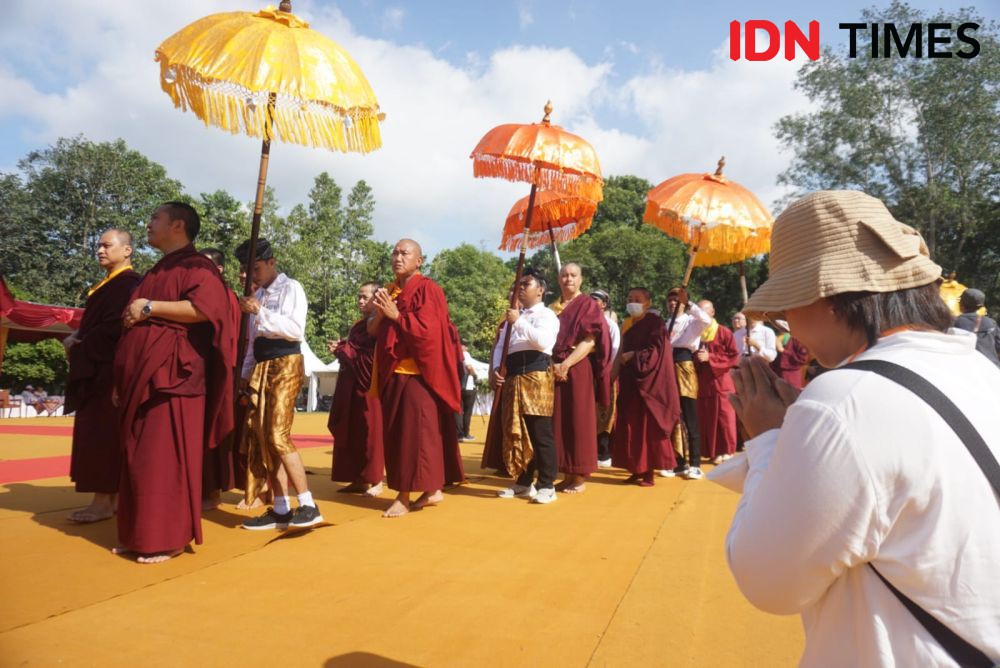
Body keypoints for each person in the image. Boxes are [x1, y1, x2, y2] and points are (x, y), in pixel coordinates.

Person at [709, 190, 1000, 665]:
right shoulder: (982, 371)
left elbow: (768, 582)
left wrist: (768, 439)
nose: (787, 322)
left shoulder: (842, 399)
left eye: (786, 305)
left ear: (825, 296)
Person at [113, 201, 238, 563]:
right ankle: (139, 533)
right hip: (144, 376)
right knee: (140, 458)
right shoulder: (159, 268)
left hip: (174, 377)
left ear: (178, 226)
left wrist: (151, 307)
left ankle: (166, 538)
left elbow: (205, 310)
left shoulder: (197, 267)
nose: (148, 224)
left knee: (165, 462)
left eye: (155, 218)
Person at [369, 239, 464, 518]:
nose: (398, 257)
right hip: (393, 373)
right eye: (395, 253)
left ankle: (404, 495)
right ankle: (432, 490)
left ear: (419, 261)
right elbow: (375, 329)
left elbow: (431, 332)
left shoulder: (428, 289)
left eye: (405, 253)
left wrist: (396, 314)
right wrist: (379, 313)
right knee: (402, 435)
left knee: (414, 437)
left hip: (417, 375)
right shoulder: (390, 290)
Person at [235, 238, 324, 531]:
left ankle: (308, 504)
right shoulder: (256, 295)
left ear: (271, 262)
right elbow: (253, 343)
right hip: (261, 366)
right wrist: (245, 377)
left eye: (257, 268)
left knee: (277, 434)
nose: (252, 275)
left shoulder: (291, 288)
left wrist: (259, 310)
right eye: (248, 270)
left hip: (286, 362)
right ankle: (281, 507)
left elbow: (294, 330)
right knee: (263, 437)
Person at [64, 229, 141, 523]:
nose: (100, 250)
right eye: (98, 245)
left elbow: (117, 327)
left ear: (127, 251)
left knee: (105, 436)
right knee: (103, 435)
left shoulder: (129, 284)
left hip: (110, 369)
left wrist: (81, 342)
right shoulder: (104, 285)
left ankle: (102, 502)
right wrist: (79, 335)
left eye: (107, 245)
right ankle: (111, 499)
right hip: (97, 368)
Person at [492, 271, 561, 504]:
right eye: (517, 284)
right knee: (516, 431)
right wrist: (495, 370)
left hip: (536, 375)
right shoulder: (512, 317)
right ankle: (523, 482)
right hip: (513, 375)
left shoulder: (547, 315)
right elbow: (501, 347)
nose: (520, 288)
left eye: (526, 284)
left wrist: (518, 322)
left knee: (539, 431)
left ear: (540, 290)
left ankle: (547, 484)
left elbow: (543, 342)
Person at [550, 262, 612, 494]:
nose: (568, 279)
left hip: (576, 367)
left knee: (578, 419)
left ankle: (579, 477)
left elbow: (590, 341)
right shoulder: (553, 307)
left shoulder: (587, 305)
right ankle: (567, 473)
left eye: (573, 275)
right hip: (555, 366)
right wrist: (555, 365)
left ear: (581, 280)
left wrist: (566, 363)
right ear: (559, 279)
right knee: (560, 420)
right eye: (564, 275)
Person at [611, 288, 680, 486]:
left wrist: (634, 355)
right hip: (631, 382)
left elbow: (656, 353)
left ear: (647, 303)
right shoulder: (630, 326)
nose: (633, 302)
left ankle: (648, 472)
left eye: (638, 299)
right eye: (630, 299)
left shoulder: (655, 324)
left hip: (648, 385)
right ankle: (635, 468)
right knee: (630, 427)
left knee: (646, 429)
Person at [328, 282, 385, 497]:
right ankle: (359, 478)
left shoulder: (381, 323)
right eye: (359, 297)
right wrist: (342, 349)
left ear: (377, 298)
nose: (360, 301)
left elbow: (373, 358)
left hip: (369, 386)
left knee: (371, 433)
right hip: (350, 386)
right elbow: (355, 351)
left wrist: (345, 350)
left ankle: (376, 479)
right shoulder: (358, 325)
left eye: (365, 297)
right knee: (352, 432)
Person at [198, 246, 238, 511]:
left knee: (212, 432)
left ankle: (211, 492)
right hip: (196, 372)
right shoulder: (196, 295)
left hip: (218, 374)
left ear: (220, 269)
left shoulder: (227, 297)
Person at [664, 287, 711, 480]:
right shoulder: (666, 323)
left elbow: (707, 320)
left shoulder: (693, 321)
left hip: (684, 365)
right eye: (670, 299)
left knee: (690, 414)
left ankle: (695, 464)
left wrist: (689, 303)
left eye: (677, 299)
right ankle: (679, 462)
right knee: (674, 416)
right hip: (668, 366)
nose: (673, 302)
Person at [693, 300, 739, 465]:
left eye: (705, 312)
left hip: (721, 382)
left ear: (713, 313)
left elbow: (734, 357)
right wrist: (698, 359)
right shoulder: (696, 334)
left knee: (724, 418)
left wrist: (710, 358)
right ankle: (713, 452)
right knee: (708, 418)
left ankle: (727, 450)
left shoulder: (724, 332)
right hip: (704, 383)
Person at [590, 289, 620, 468]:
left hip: (605, 372)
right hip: (588, 371)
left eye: (596, 300)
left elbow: (615, 350)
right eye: (590, 299)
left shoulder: (610, 325)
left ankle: (604, 451)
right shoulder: (584, 321)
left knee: (605, 412)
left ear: (604, 304)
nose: (593, 302)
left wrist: (609, 374)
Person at [954, 288, 1000, 367]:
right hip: (992, 368)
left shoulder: (953, 322)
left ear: (961, 304)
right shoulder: (991, 323)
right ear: (980, 306)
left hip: (966, 369)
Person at [770, 319, 809, 389]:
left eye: (781, 327)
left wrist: (782, 350)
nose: (779, 329)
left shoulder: (797, 339)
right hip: (776, 375)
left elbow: (802, 358)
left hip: (791, 377)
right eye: (778, 327)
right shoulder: (776, 338)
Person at [455, 340, 479, 441]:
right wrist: (475, 376)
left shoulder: (454, 354)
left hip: (457, 386)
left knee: (458, 411)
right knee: (467, 412)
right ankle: (465, 433)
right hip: (468, 387)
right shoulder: (465, 354)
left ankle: (459, 434)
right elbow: (469, 367)